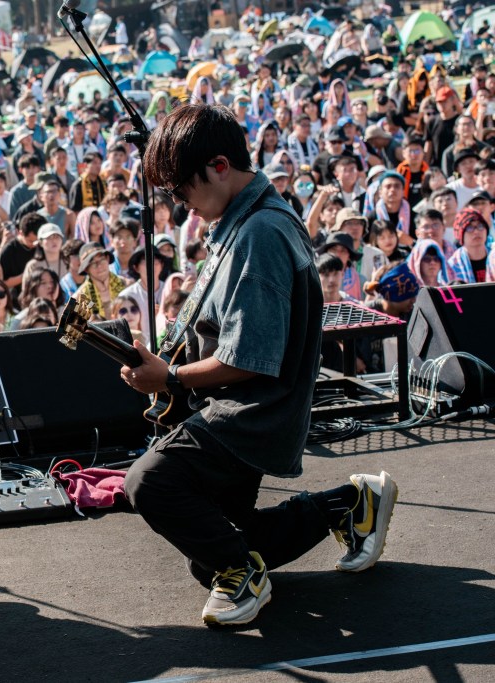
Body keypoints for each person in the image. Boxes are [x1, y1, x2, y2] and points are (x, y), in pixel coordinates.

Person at [120, 103, 397, 627]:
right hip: (236, 405)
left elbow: (249, 360)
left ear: (220, 167)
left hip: (249, 413)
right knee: (214, 551)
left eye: (181, 188)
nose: (179, 203)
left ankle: (245, 576)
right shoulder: (242, 220)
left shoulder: (260, 233)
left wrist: (171, 377)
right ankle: (350, 504)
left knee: (149, 483)